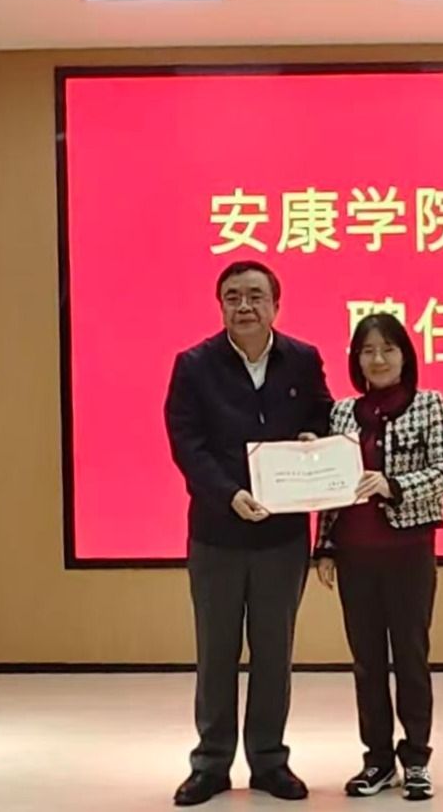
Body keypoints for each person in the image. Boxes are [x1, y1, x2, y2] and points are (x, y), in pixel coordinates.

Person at [165, 261, 333, 806]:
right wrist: (229, 494)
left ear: (275, 305)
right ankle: (211, 764)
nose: (245, 306)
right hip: (216, 533)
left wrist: (313, 442)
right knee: (215, 653)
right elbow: (187, 444)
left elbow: (325, 418)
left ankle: (269, 761)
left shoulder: (302, 359)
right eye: (233, 296)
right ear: (220, 306)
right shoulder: (194, 365)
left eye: (256, 296)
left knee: (273, 654)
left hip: (282, 537)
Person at [314, 312, 443, 802]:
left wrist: (393, 485)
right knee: (367, 661)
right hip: (355, 556)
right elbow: (330, 488)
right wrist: (324, 546)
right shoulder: (341, 414)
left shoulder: (431, 405)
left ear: (405, 356)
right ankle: (377, 760)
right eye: (368, 351)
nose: (378, 359)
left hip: (408, 552)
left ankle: (416, 759)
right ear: (356, 360)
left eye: (388, 349)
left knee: (411, 657)